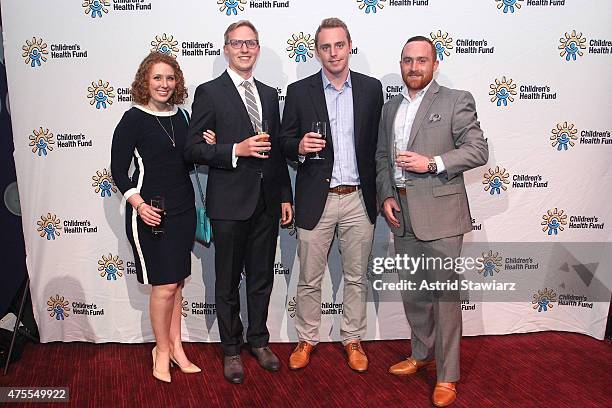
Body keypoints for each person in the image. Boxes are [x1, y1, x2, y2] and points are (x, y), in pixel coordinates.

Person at [375, 36, 488, 407]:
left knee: (444, 298)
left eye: (421, 60)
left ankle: (447, 375)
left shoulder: (456, 100)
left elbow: (478, 150)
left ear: (435, 64)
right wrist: (387, 194)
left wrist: (432, 163)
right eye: (407, 60)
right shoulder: (390, 107)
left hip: (441, 214)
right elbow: (381, 157)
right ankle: (421, 354)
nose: (413, 67)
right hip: (401, 213)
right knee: (414, 294)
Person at [184, 20, 293, 384]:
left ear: (258, 49)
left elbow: (276, 151)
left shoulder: (268, 92)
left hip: (265, 203)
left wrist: (283, 196)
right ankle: (231, 349)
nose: (244, 49)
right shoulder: (209, 92)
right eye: (237, 43)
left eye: (251, 43)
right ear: (226, 48)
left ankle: (258, 341)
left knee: (261, 278)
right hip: (229, 203)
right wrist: (235, 149)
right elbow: (193, 149)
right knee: (228, 281)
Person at [279, 17, 383, 373]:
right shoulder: (299, 91)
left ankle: (352, 338)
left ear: (349, 46)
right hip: (315, 199)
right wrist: (300, 147)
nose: (333, 52)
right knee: (309, 277)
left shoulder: (371, 90)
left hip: (357, 198)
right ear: (316, 51)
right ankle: (307, 338)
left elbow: (378, 147)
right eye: (325, 46)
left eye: (339, 45)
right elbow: (283, 143)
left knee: (356, 277)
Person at [111, 52, 213, 383]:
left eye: (169, 78)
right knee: (164, 285)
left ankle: (177, 348)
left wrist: (204, 143)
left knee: (177, 284)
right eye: (157, 78)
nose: (164, 84)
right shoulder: (133, 119)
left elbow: (187, 160)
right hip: (152, 212)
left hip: (182, 210)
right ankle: (162, 350)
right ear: (145, 81)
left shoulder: (183, 117)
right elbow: (118, 170)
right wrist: (139, 205)